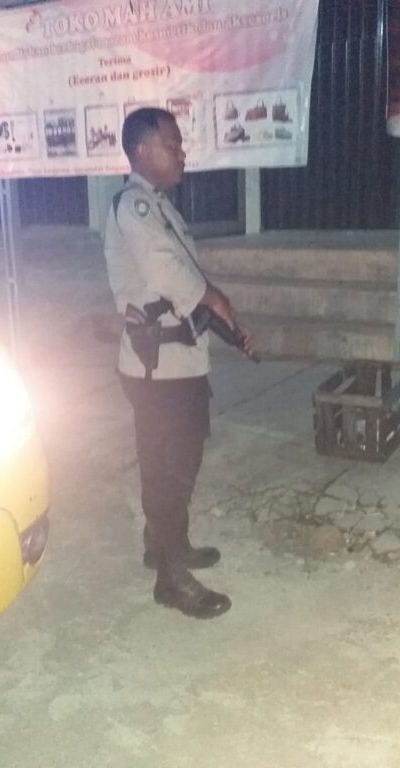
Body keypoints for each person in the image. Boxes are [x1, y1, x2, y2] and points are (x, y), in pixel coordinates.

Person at [103, 107, 253, 619]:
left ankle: (166, 545)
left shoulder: (157, 205)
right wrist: (214, 297)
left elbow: (179, 275)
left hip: (177, 361)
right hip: (158, 369)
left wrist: (221, 316)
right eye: (172, 143)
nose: (182, 152)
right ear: (142, 151)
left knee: (177, 462)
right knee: (168, 470)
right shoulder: (135, 206)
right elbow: (168, 271)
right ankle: (171, 579)